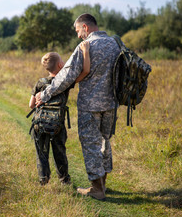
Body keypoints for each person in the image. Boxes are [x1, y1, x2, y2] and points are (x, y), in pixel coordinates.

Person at [35, 13, 121, 200]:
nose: (78, 35)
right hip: (111, 105)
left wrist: (45, 94)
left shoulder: (86, 46)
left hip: (90, 105)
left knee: (91, 145)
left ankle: (97, 189)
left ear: (85, 27)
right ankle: (103, 184)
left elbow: (66, 76)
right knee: (105, 142)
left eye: (78, 31)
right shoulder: (115, 44)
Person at [29, 42, 90, 185]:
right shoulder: (65, 82)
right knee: (59, 152)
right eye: (62, 61)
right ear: (59, 65)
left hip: (40, 123)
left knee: (42, 152)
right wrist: (86, 52)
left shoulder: (40, 82)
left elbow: (31, 105)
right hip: (57, 124)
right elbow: (85, 71)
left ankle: (43, 179)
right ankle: (64, 180)